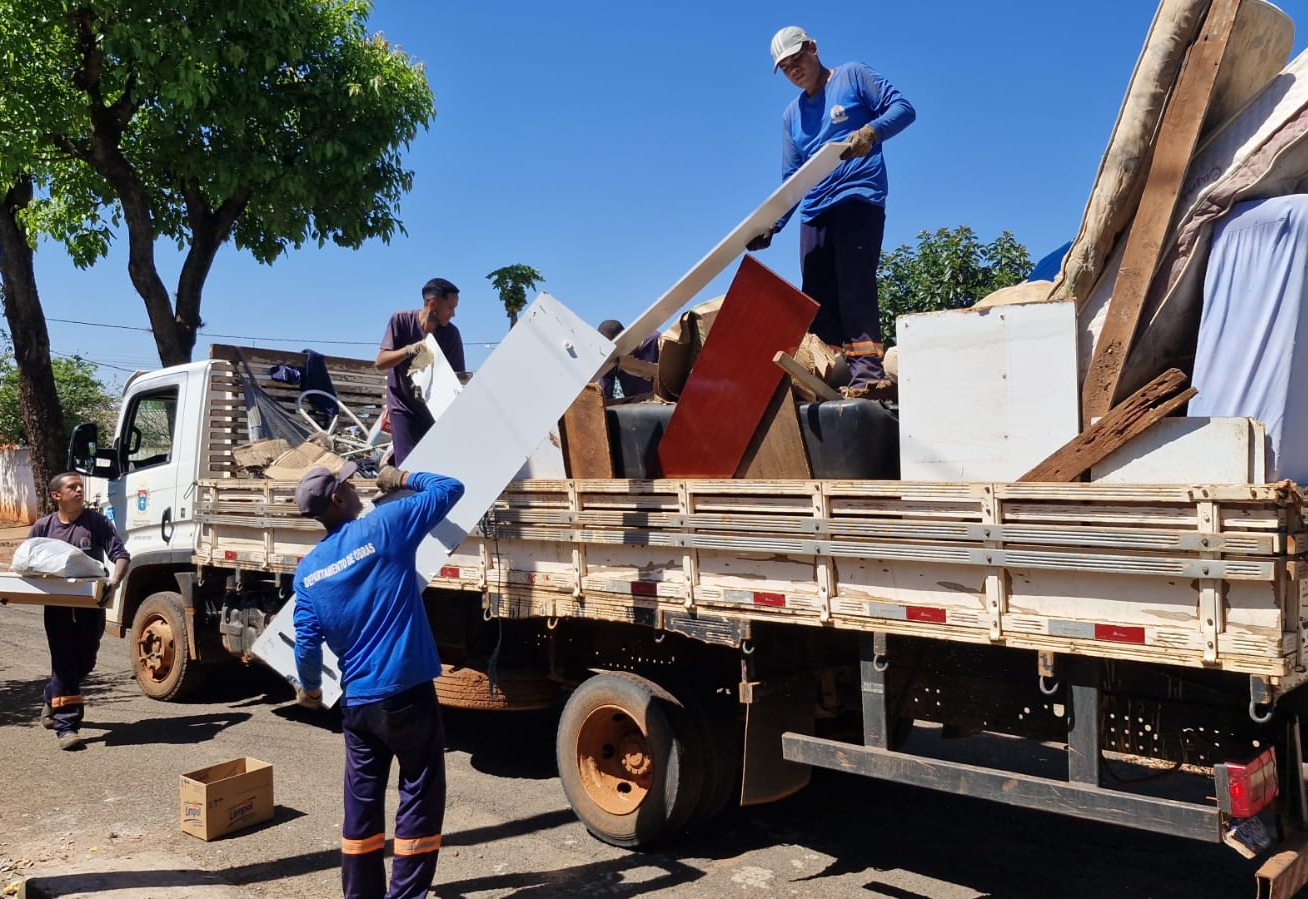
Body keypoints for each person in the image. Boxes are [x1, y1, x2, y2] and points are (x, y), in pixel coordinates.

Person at [292, 461, 465, 899]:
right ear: (337, 499)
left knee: (362, 805)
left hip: (359, 705)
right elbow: (450, 487)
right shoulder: (386, 526)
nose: (355, 487)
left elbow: (306, 645)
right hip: (407, 695)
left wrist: (310, 690)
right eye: (348, 483)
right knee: (419, 797)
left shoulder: (309, 571)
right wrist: (401, 478)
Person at [748, 26, 915, 397]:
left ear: (813, 48)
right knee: (816, 298)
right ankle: (828, 374)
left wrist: (871, 132)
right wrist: (772, 224)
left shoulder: (854, 76)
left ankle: (869, 374)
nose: (794, 71)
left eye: (797, 60)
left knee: (854, 285)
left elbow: (904, 110)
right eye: (786, 68)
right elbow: (793, 178)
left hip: (858, 197)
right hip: (814, 209)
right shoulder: (792, 116)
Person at [29, 472, 130, 751]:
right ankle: (67, 726)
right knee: (63, 663)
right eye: (72, 487)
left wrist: (114, 581)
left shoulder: (96, 522)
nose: (79, 491)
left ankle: (52, 696)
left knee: (84, 663)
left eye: (80, 486)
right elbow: (26, 563)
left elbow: (120, 555)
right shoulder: (43, 527)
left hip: (90, 606)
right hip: (58, 608)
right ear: (56, 496)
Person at [376, 278, 466, 464]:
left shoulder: (451, 334)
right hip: (403, 406)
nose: (453, 314)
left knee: (435, 464)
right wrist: (409, 350)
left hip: (433, 410)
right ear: (433, 304)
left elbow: (457, 377)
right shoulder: (400, 321)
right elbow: (380, 363)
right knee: (408, 465)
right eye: (450, 308)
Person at [596, 319, 660, 399]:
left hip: (664, 404)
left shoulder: (655, 341)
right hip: (635, 407)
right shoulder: (612, 358)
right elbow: (605, 394)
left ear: (624, 338)